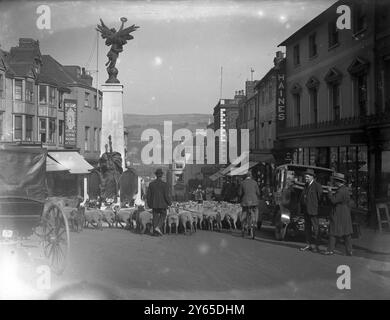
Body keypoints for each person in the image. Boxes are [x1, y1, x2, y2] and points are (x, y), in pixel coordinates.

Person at [323, 173, 353, 256]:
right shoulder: (345, 190)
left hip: (338, 212)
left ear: (337, 182)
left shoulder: (340, 191)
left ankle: (330, 250)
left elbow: (333, 200)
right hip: (345, 212)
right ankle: (349, 250)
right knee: (347, 233)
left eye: (334, 181)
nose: (333, 182)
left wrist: (329, 192)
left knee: (333, 231)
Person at [299, 168, 323, 253]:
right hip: (306, 210)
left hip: (314, 211)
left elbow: (320, 198)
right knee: (307, 228)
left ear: (312, 177)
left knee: (316, 229)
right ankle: (308, 244)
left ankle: (317, 246)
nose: (306, 178)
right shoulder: (306, 185)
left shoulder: (317, 186)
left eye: (307, 177)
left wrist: (314, 206)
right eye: (305, 177)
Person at [146, 168, 172, 236]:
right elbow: (166, 195)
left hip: (154, 204)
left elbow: (148, 196)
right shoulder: (165, 184)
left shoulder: (151, 184)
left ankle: (155, 233)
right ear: (162, 175)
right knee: (163, 215)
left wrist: (149, 204)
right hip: (163, 204)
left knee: (155, 217)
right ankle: (158, 227)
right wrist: (170, 203)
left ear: (156, 175)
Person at [238, 169, 260, 237]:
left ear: (245, 176)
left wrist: (241, 197)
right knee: (256, 210)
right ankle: (255, 222)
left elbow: (239, 193)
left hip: (245, 201)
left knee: (244, 211)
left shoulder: (242, 183)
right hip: (254, 201)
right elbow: (258, 193)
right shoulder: (255, 182)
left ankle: (242, 226)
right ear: (251, 176)